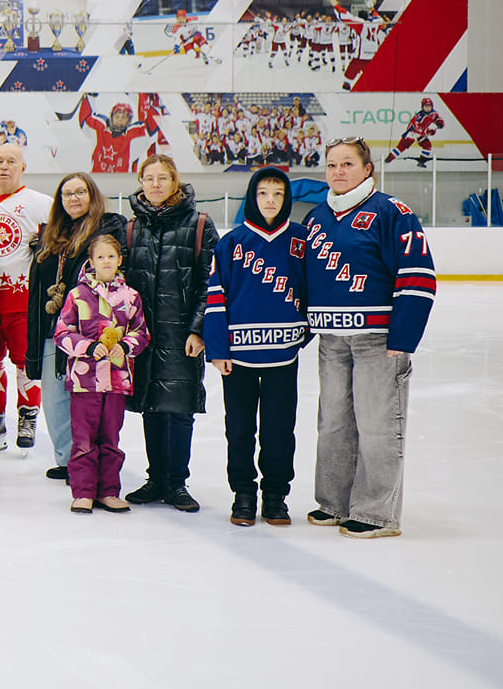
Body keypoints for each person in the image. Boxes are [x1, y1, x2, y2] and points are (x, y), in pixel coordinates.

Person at [303, 138, 433, 538]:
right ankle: (334, 502)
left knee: (377, 426)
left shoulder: (392, 212)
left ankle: (377, 512)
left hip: (378, 340)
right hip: (332, 339)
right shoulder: (316, 218)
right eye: (331, 165)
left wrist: (403, 336)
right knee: (333, 424)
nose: (338, 171)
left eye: (347, 164)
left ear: (367, 169)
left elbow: (418, 275)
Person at [204, 166, 308, 528]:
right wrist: (218, 349)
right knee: (239, 429)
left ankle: (276, 495)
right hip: (238, 357)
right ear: (252, 196)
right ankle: (243, 494)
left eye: (278, 194)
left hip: (283, 354)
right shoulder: (231, 243)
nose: (270, 200)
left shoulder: (300, 240)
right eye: (263, 193)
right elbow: (215, 297)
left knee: (279, 429)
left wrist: (302, 334)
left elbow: (313, 292)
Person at [121, 153, 217, 513]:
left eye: (163, 177)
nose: (156, 184)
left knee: (179, 409)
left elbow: (210, 283)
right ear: (141, 183)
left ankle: (176, 482)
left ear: (175, 181)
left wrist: (198, 329)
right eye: (149, 178)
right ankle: (156, 478)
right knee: (151, 406)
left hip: (181, 336)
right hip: (144, 336)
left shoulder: (199, 224)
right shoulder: (133, 227)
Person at [26, 172, 127, 480]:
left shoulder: (107, 230)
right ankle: (68, 460)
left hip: (89, 333)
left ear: (92, 195)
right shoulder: (50, 236)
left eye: (80, 192)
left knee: (87, 401)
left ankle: (89, 461)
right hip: (52, 331)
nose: (74, 198)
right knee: (55, 399)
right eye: (67, 194)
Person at [53, 234, 148, 513]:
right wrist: (88, 346)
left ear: (119, 260)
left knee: (110, 436)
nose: (106, 261)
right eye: (100, 257)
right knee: (84, 437)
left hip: (116, 380)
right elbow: (62, 333)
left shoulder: (131, 296)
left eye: (111, 256)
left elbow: (141, 332)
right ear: (91, 262)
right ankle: (83, 491)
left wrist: (125, 346)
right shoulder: (77, 295)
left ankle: (108, 490)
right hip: (84, 380)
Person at [0, 142, 52, 453]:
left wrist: (45, 246)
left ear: (23, 167)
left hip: (23, 300)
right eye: (0, 161)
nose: (4, 166)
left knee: (25, 361)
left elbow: (57, 241)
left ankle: (28, 417)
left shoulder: (41, 203)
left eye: (11, 161)